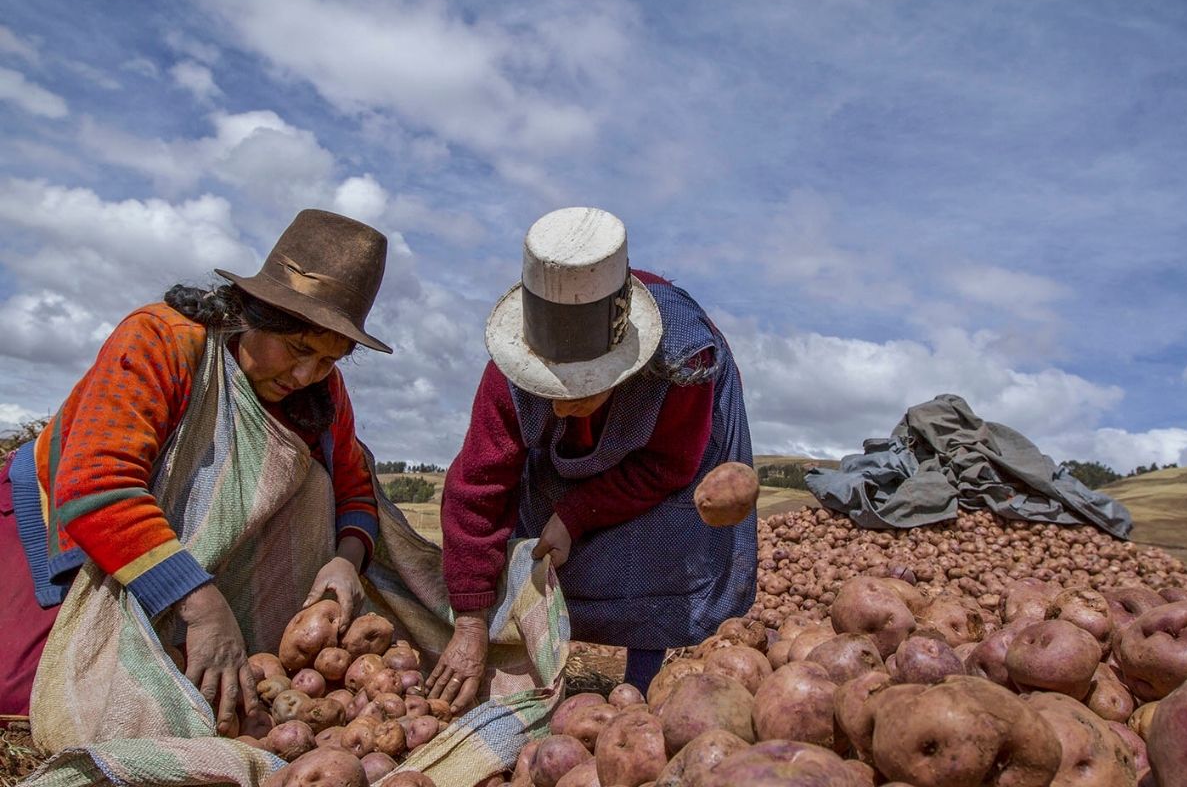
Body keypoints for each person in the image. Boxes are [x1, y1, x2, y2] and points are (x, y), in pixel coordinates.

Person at [0, 209, 391, 735]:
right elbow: (97, 484)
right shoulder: (162, 340)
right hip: (69, 539)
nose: (306, 375)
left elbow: (354, 489)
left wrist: (347, 560)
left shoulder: (322, 395)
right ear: (256, 312)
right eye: (298, 349)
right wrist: (203, 607)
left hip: (195, 569)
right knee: (45, 693)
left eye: (328, 359)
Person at [427, 207, 756, 710]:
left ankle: (644, 684)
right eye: (552, 386)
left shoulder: (683, 368)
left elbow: (667, 467)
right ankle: (535, 658)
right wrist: (470, 620)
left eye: (585, 386)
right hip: (573, 449)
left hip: (678, 449)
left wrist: (578, 514)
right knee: (535, 528)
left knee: (667, 531)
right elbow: (479, 485)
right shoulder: (507, 379)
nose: (562, 404)